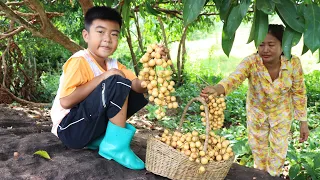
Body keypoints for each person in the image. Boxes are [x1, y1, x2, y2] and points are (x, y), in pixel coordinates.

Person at [200, 24, 309, 176]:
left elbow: (299, 92)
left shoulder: (293, 63)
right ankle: (260, 176)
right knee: (259, 154)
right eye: (261, 44)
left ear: (283, 45)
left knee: (278, 154)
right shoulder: (251, 62)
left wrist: (303, 121)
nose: (265, 49)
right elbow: (234, 78)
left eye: (271, 44)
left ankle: (273, 177)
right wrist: (217, 89)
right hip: (256, 114)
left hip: (282, 114)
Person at [50, 6, 148, 170]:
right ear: (86, 35)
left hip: (88, 126)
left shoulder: (113, 64)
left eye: (114, 34)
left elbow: (137, 86)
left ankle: (102, 138)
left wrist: (150, 75)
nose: (108, 39)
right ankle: (116, 147)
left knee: (135, 92)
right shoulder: (80, 61)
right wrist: (102, 77)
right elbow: (66, 102)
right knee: (116, 81)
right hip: (69, 129)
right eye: (100, 32)